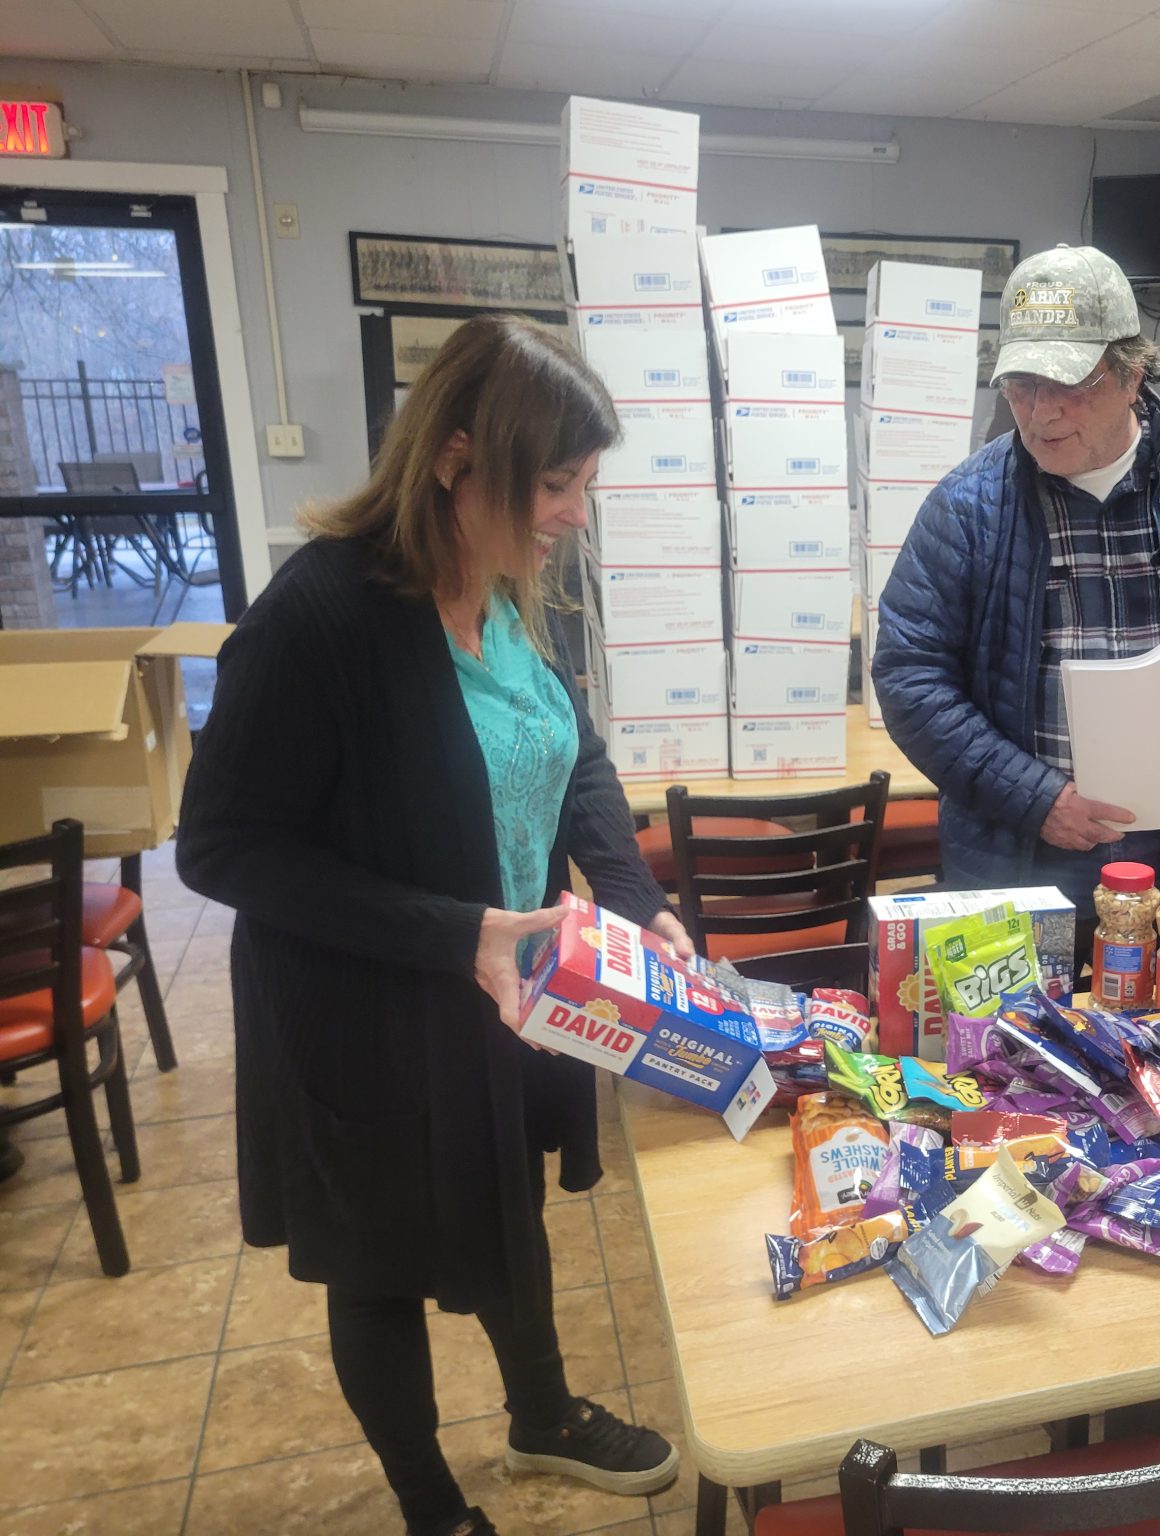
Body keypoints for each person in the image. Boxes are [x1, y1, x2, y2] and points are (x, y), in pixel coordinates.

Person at [177, 316, 686, 1536]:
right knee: (378, 1263)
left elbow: (573, 755)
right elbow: (220, 848)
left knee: (505, 1207)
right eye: (554, 484)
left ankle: (541, 1414)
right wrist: (455, 932)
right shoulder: (317, 619)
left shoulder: (503, 585)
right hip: (363, 1010)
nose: (573, 515)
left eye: (583, 485)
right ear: (459, 460)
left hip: (505, 991)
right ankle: (428, 1502)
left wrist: (639, 901)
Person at [872, 244, 1160, 918]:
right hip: (1018, 846)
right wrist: (1035, 797)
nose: (1040, 412)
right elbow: (909, 675)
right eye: (1021, 385)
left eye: (1068, 384)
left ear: (1132, 375)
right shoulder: (967, 505)